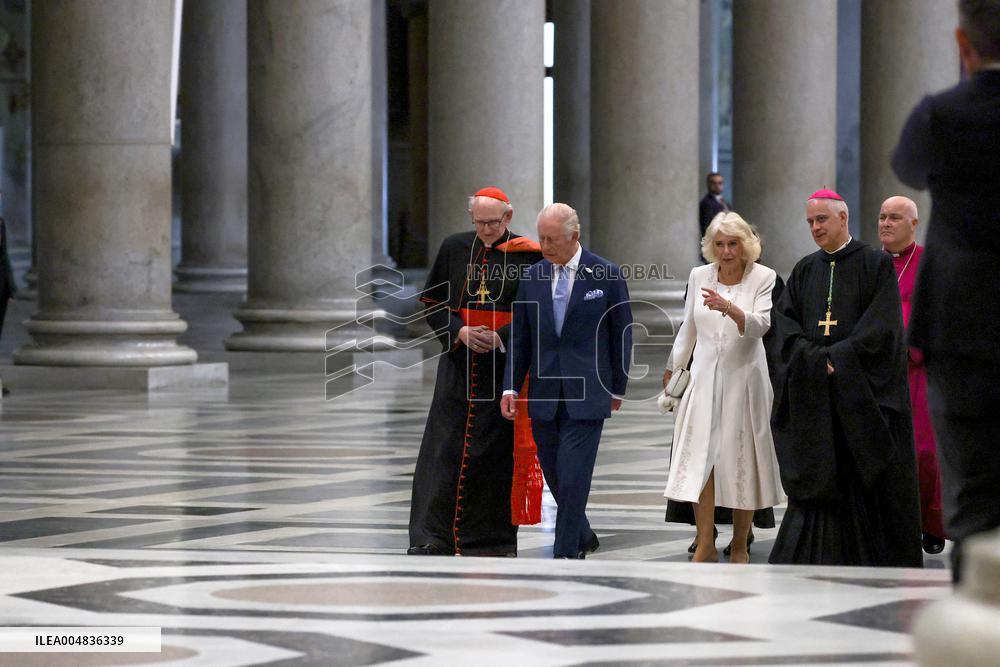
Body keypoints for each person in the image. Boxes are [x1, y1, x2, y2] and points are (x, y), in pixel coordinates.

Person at [891, 0, 1000, 581]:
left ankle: (979, 618)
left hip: (960, 320)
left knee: (971, 485)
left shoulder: (942, 113)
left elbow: (909, 169)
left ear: (963, 42)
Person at [768, 189, 922, 568]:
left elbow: (884, 326)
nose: (815, 228)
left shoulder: (874, 264)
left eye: (821, 219)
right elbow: (784, 326)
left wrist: (840, 358)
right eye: (809, 222)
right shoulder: (805, 269)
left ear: (843, 218)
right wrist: (814, 359)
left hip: (861, 395)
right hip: (817, 392)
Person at [408, 186, 543, 557]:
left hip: (503, 367)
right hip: (458, 366)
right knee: (444, 450)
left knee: (495, 454)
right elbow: (433, 302)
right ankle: (432, 536)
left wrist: (500, 338)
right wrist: (459, 332)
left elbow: (535, 312)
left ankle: (488, 539)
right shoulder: (454, 247)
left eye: (492, 222)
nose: (485, 229)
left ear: (508, 218)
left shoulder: (529, 257)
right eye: (479, 222)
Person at [501, 203, 633, 559]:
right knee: (556, 474)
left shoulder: (605, 274)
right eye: (541, 238)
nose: (544, 246)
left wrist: (617, 386)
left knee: (574, 473)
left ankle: (564, 551)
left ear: (574, 236)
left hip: (589, 391)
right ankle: (583, 533)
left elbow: (621, 333)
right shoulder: (533, 277)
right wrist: (510, 386)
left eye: (553, 240)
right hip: (544, 392)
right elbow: (521, 338)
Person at [661, 212, 784, 563]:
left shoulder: (764, 277)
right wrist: (674, 368)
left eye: (733, 244)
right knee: (704, 460)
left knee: (739, 459)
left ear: (746, 245)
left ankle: (742, 543)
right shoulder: (699, 275)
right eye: (719, 244)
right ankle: (704, 542)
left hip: (744, 377)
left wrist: (729, 307)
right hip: (702, 377)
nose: (727, 251)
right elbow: (689, 328)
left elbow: (761, 325)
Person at [877, 195, 946, 555]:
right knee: (881, 450)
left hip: (916, 371)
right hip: (876, 373)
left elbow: (939, 314)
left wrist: (913, 348)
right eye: (883, 217)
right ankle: (889, 525)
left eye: (895, 218)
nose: (886, 223)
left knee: (923, 452)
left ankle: (928, 525)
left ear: (914, 224)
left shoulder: (928, 263)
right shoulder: (871, 264)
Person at [699, 173, 731, 240]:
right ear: (708, 184)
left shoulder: (725, 202)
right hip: (716, 240)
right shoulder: (706, 203)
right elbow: (706, 227)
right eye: (714, 183)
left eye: (720, 183)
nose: (717, 186)